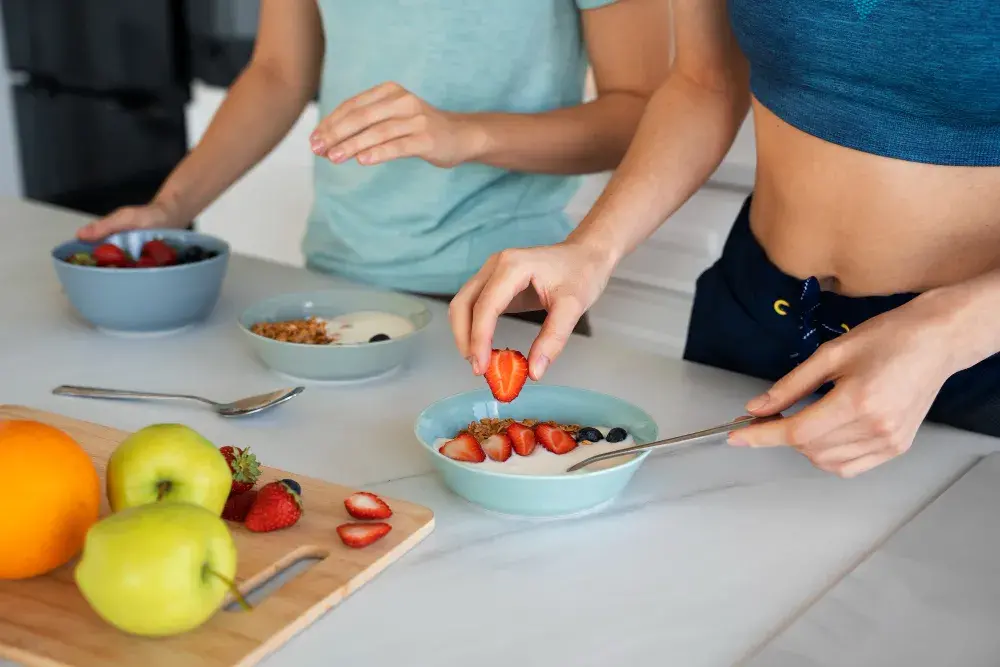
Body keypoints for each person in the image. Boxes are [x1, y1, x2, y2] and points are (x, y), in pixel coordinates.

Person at [449, 0, 1000, 477]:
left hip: (969, 344)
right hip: (753, 310)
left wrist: (948, 334)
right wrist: (593, 247)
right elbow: (704, 82)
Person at [76, 0, 673, 335]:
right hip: (334, 284)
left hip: (505, 295)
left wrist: (466, 134)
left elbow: (640, 115)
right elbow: (279, 73)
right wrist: (171, 206)